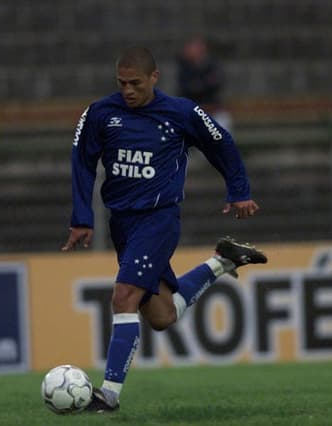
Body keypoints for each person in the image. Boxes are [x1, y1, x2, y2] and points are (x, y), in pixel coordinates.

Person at [61, 46, 267, 413]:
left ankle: (108, 396)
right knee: (161, 316)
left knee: (123, 296)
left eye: (135, 83)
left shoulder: (181, 112)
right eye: (122, 83)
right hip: (121, 224)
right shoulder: (100, 113)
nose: (127, 90)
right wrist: (82, 217)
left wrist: (239, 191)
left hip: (158, 220)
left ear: (154, 78)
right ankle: (223, 260)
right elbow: (82, 161)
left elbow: (221, 142)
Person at [177, 36, 233, 132]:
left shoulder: (212, 64)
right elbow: (187, 88)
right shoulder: (184, 68)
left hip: (213, 110)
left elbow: (217, 83)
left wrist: (199, 85)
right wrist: (204, 83)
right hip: (194, 112)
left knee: (223, 125)